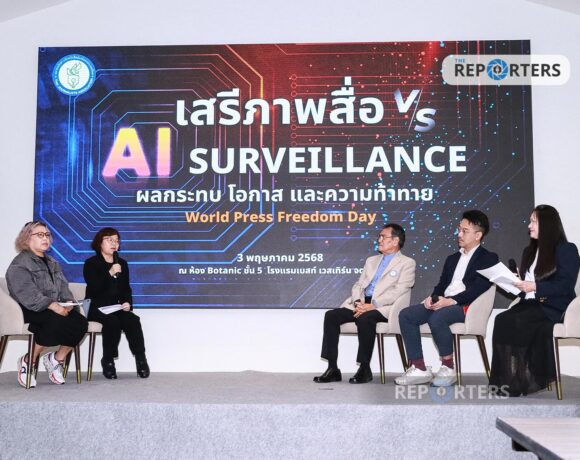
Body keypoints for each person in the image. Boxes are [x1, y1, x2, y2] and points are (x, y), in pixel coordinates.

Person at [395, 210, 498, 387]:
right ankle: (419, 368)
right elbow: (442, 285)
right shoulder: (452, 258)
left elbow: (479, 288)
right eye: (459, 229)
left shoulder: (488, 258)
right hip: (445, 303)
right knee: (406, 315)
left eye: (465, 231)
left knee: (438, 317)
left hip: (466, 306)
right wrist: (433, 298)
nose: (459, 234)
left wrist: (451, 301)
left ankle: (448, 368)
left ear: (478, 235)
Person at [489, 205, 579, 396]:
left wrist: (536, 287)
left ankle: (523, 379)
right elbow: (527, 285)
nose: (529, 225)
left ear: (547, 224)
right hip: (529, 304)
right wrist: (516, 283)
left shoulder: (566, 249)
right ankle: (507, 380)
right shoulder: (529, 251)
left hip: (552, 306)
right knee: (501, 319)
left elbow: (565, 285)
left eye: (533, 221)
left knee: (518, 321)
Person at [313, 223, 416, 384]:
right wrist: (357, 302)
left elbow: (400, 291)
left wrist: (374, 304)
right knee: (331, 316)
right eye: (379, 236)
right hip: (361, 304)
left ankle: (364, 368)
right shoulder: (371, 260)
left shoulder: (407, 263)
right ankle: (332, 368)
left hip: (383, 308)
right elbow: (358, 285)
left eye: (383, 237)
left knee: (365, 318)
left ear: (395, 240)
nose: (379, 240)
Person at [6, 221, 88, 387]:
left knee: (80, 322)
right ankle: (28, 360)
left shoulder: (52, 262)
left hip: (52, 306)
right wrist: (53, 306)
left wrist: (68, 302)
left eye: (47, 235)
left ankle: (56, 359)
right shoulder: (20, 263)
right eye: (40, 235)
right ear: (27, 238)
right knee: (55, 320)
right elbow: (28, 294)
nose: (45, 238)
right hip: (28, 308)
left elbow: (63, 286)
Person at [83, 227, 150, 379]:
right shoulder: (91, 263)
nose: (114, 243)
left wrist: (127, 302)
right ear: (100, 243)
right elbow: (94, 288)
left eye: (116, 241)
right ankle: (108, 360)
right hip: (95, 306)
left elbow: (126, 288)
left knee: (132, 320)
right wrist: (110, 273)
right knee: (112, 322)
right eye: (109, 240)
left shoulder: (122, 264)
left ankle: (141, 358)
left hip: (114, 307)